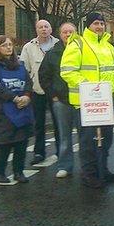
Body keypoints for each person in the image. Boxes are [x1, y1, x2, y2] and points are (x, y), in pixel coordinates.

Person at [60, 12, 114, 188]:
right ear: (88, 26)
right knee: (88, 141)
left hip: (105, 101)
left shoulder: (108, 47)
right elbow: (67, 70)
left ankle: (103, 169)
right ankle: (89, 174)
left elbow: (112, 71)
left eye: (102, 23)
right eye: (96, 23)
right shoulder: (78, 43)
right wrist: (88, 87)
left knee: (106, 138)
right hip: (85, 102)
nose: (100, 27)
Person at [0, 35, 33, 184]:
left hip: (22, 110)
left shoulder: (20, 65)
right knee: (5, 144)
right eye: (4, 45)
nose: (8, 47)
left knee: (22, 143)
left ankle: (18, 172)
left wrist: (26, 96)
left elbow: (28, 82)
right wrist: (14, 99)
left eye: (10, 45)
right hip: (2, 112)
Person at [38, 22, 78, 178]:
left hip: (81, 100)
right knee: (64, 136)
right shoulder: (53, 53)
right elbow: (44, 76)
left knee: (86, 136)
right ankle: (65, 166)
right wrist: (53, 96)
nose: (68, 35)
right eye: (64, 32)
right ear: (60, 35)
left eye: (71, 32)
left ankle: (90, 166)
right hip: (61, 101)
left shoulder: (83, 51)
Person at [20, 19, 60, 165]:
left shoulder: (58, 45)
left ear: (51, 29)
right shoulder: (28, 47)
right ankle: (39, 153)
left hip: (55, 91)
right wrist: (27, 90)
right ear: (36, 30)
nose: (44, 29)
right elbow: (24, 69)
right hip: (37, 91)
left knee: (58, 123)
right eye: (40, 27)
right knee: (39, 123)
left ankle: (60, 151)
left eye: (46, 26)